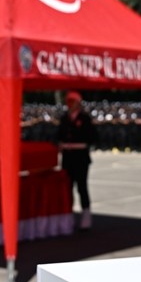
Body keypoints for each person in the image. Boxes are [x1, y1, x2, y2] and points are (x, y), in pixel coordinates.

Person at [58, 90, 97, 230]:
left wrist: (77, 145)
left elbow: (92, 138)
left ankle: (86, 214)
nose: (69, 104)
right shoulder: (64, 117)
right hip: (67, 158)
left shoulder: (85, 118)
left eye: (72, 101)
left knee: (82, 187)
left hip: (80, 158)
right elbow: (58, 135)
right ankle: (68, 215)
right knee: (67, 188)